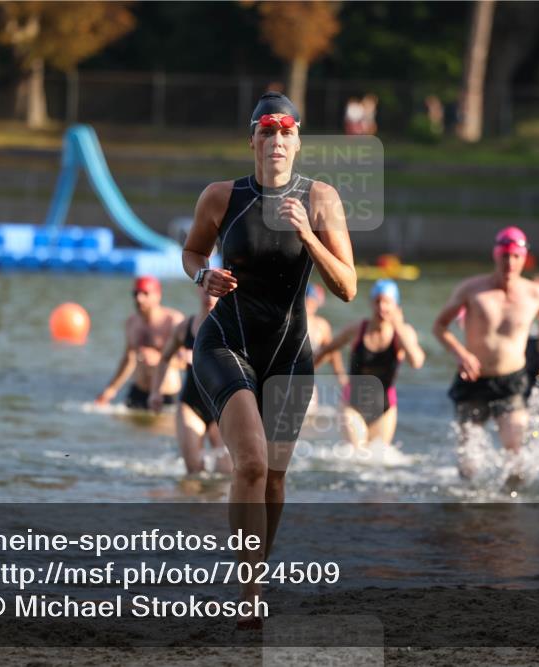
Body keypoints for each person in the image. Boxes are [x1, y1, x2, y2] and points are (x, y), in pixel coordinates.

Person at [182, 92, 356, 627]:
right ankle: (249, 590)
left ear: (298, 140)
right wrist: (200, 275)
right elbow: (192, 252)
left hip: (289, 352)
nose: (276, 140)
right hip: (225, 344)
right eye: (266, 131)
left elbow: (347, 286)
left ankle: (255, 566)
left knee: (275, 478)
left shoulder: (321, 198)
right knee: (251, 463)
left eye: (286, 131)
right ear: (253, 140)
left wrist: (306, 232)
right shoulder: (221, 196)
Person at [433, 227, 539, 473]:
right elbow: (439, 326)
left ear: (524, 258)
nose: (510, 263)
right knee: (468, 464)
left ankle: (508, 506)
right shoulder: (472, 289)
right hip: (473, 379)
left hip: (511, 382)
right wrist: (460, 353)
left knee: (515, 454)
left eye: (516, 256)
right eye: (505, 255)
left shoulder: (536, 294)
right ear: (496, 255)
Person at [315, 280, 424, 447]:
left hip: (385, 408)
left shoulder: (403, 333)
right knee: (358, 455)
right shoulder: (358, 329)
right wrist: (303, 371)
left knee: (376, 461)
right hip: (352, 404)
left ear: (396, 306)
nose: (382, 307)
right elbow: (328, 349)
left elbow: (416, 362)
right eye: (377, 301)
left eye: (387, 302)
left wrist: (398, 326)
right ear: (371, 303)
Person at [148, 286, 233, 476]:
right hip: (190, 404)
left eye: (215, 291)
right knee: (194, 473)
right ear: (198, 291)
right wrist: (155, 392)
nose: (209, 295)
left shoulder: (232, 328)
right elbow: (164, 358)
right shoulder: (184, 327)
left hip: (223, 406)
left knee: (225, 474)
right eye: (206, 290)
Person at [96, 276, 184, 410]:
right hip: (139, 391)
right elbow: (128, 359)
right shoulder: (131, 323)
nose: (139, 298)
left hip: (166, 394)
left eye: (145, 294)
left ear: (157, 296)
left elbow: (187, 362)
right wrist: (111, 389)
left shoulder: (173, 321)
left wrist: (160, 359)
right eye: (136, 294)